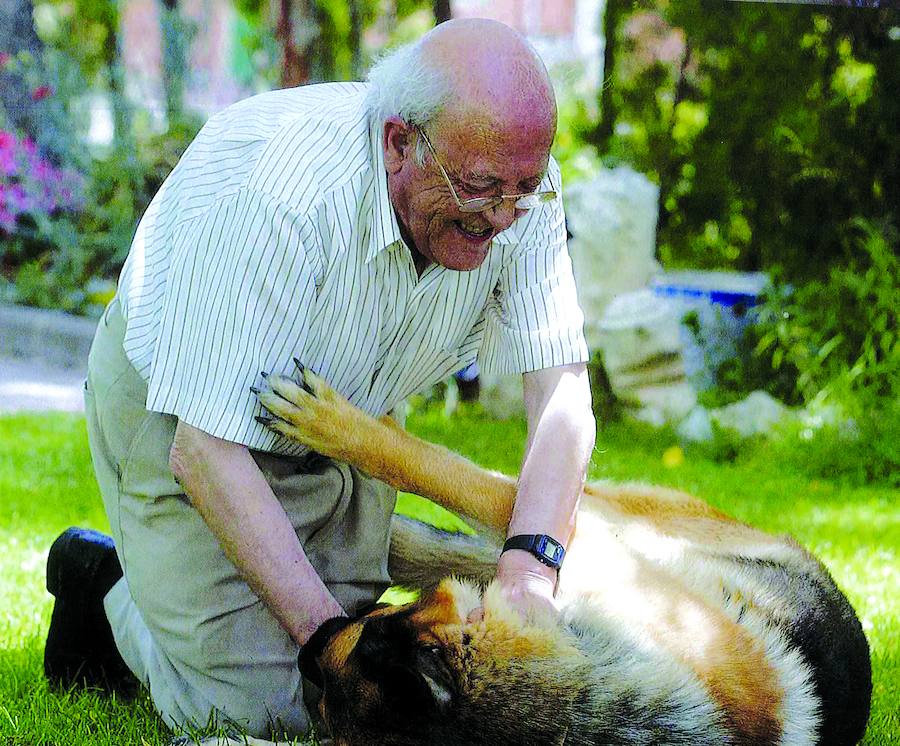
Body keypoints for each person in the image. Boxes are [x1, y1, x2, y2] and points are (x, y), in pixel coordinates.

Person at [44, 17, 595, 739]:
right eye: (480, 189)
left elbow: (562, 392)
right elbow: (203, 449)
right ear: (401, 142)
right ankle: (104, 588)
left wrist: (530, 570)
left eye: (523, 188)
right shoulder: (279, 191)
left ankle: (213, 601)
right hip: (182, 415)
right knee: (274, 711)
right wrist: (327, 645)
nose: (502, 216)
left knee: (367, 660)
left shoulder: (518, 185)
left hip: (339, 413)